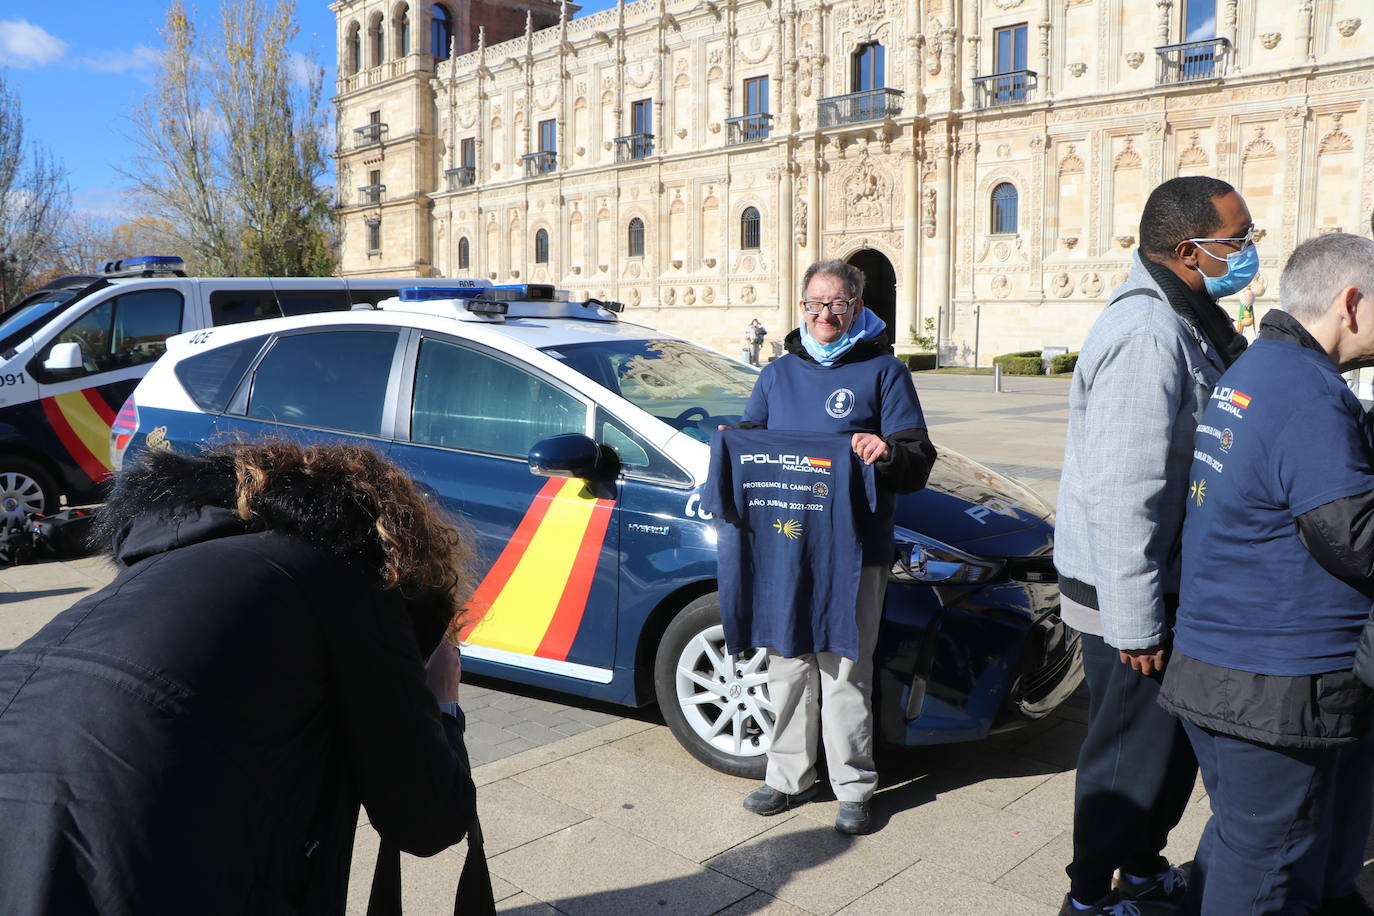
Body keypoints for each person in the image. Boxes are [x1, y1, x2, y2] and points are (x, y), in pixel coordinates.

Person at [0, 441, 481, 915]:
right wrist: (442, 700)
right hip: (133, 829)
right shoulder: (348, 577)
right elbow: (427, 818)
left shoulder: (167, 560)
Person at [1054, 176, 1256, 916]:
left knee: (1165, 753)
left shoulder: (1189, 315)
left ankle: (1140, 868)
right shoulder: (1147, 333)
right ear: (1187, 249)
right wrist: (1136, 621)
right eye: (1237, 240)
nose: (1247, 251)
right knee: (1127, 754)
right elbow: (1120, 491)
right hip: (1126, 593)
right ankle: (1087, 896)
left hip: (1160, 581)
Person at [1160, 233, 1374, 915]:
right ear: (1352, 302)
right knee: (1267, 874)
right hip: (1277, 684)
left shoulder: (1258, 368)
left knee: (1244, 845)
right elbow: (1355, 535)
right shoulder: (1310, 394)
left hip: (1224, 666)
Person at [727, 259, 937, 835]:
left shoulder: (884, 371)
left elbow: (918, 457)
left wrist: (886, 451)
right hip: (787, 547)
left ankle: (853, 785)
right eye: (815, 304)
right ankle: (788, 776)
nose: (825, 315)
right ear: (801, 308)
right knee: (787, 661)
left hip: (855, 547)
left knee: (845, 666)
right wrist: (730, 445)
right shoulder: (777, 374)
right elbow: (753, 440)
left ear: (857, 306)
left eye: (838, 304)